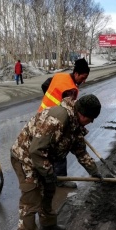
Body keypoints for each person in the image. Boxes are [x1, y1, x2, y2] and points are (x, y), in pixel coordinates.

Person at [11, 94, 103, 230]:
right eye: (91, 119)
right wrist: (48, 173)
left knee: (49, 189)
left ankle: (48, 223)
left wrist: (93, 170)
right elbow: (35, 151)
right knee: (31, 199)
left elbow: (80, 150)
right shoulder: (58, 119)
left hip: (42, 158)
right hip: (25, 157)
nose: (91, 122)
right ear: (82, 114)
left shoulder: (75, 123)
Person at [39, 58, 90, 189]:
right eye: (83, 77)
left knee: (45, 148)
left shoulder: (59, 76)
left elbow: (45, 85)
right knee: (61, 149)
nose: (83, 81)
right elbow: (71, 113)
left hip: (42, 115)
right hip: (53, 121)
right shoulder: (71, 89)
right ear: (76, 73)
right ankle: (61, 179)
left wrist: (52, 101)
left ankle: (46, 177)